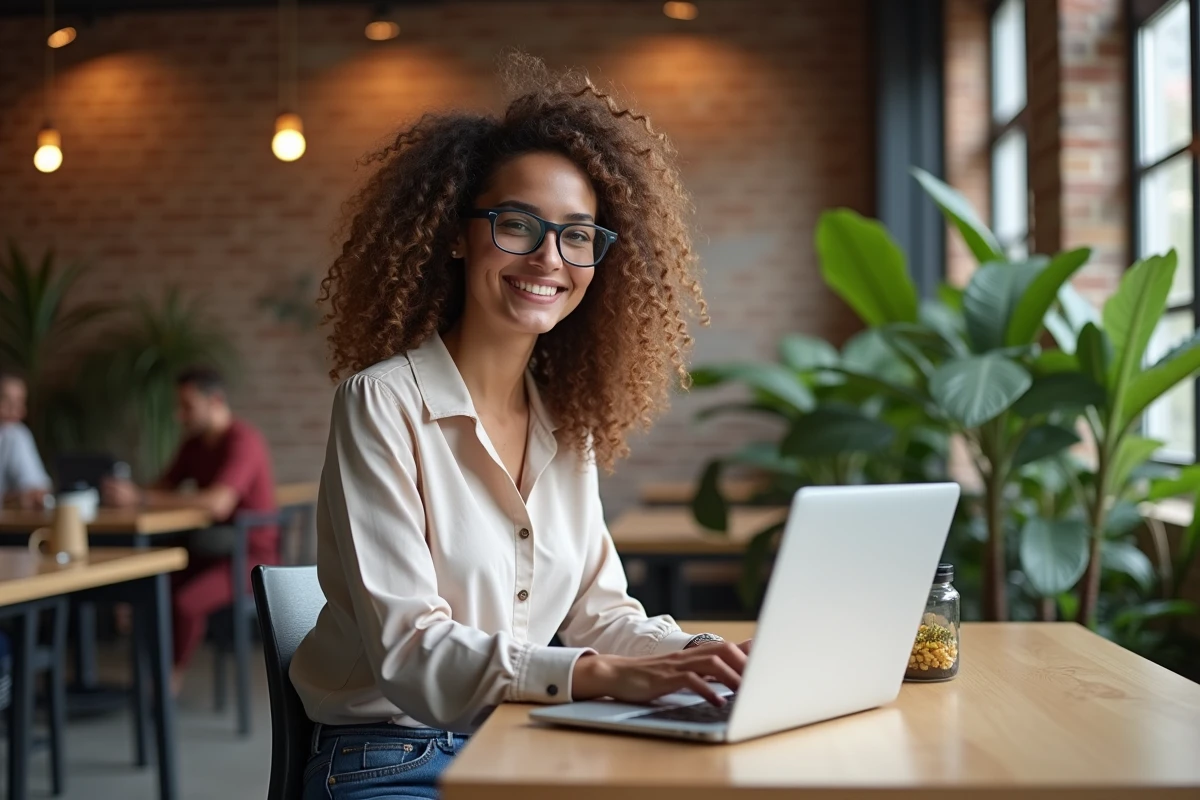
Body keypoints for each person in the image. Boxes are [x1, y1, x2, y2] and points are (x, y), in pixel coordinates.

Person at [289, 54, 751, 800]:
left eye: (577, 236)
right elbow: (411, 655)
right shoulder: (381, 404)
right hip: (392, 753)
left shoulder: (568, 425)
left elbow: (601, 612)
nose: (548, 258)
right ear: (454, 235)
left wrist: (707, 654)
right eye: (517, 225)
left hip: (526, 732)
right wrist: (599, 676)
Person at [102, 367, 277, 695]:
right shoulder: (194, 444)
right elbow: (161, 487)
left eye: (187, 406)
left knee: (184, 603)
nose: (179, 415)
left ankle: (169, 680)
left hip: (251, 556)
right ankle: (151, 674)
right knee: (150, 588)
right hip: (207, 550)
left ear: (216, 401)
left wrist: (140, 496)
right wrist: (127, 494)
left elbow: (218, 504)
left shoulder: (244, 440)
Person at [0, 369, 51, 510]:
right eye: (6, 400)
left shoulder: (16, 434)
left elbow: (38, 487)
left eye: (20, 402)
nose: (16, 410)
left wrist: (32, 495)